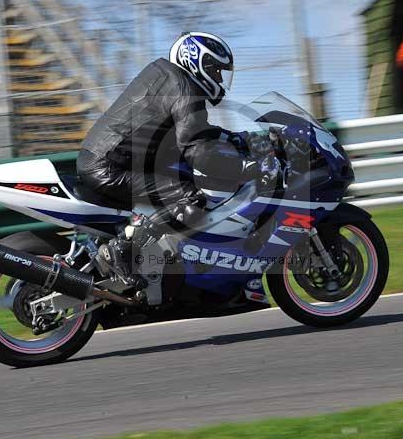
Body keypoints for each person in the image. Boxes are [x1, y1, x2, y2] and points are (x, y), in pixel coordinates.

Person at [77, 32, 277, 287]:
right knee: (188, 197)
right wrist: (247, 168)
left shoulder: (172, 78)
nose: (218, 78)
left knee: (181, 179)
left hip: (108, 160)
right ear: (196, 62)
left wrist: (243, 139)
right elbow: (198, 152)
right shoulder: (184, 89)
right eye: (215, 70)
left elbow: (195, 132)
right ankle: (122, 250)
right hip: (109, 168)